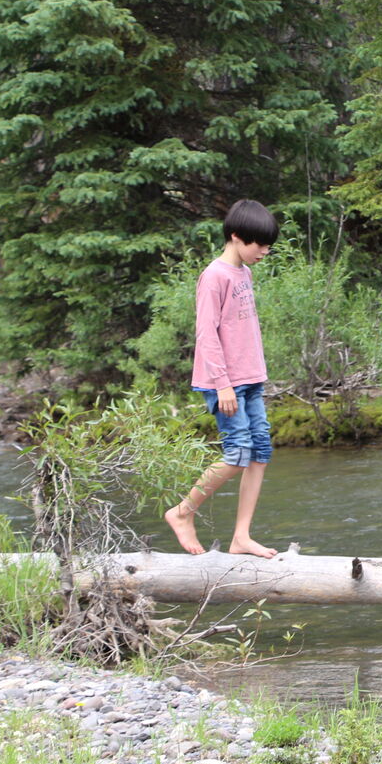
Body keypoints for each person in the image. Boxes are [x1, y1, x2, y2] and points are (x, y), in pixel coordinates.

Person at [164, 199, 280, 558]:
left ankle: (241, 537)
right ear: (235, 237)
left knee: (260, 451)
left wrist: (251, 375)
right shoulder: (214, 276)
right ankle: (182, 512)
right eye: (259, 244)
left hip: (250, 379)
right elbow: (206, 334)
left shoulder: (244, 272)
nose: (264, 251)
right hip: (223, 383)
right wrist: (223, 383)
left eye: (267, 245)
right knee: (237, 454)